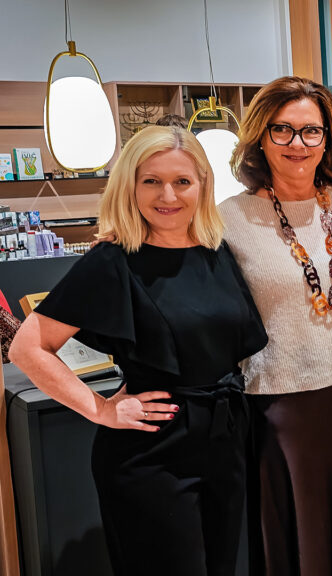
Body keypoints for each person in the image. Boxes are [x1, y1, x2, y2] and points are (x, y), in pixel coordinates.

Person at [8, 126, 267, 576]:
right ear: (130, 185)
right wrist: (101, 409)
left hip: (225, 443)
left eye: (182, 181)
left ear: (202, 185)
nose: (168, 194)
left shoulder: (216, 249)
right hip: (152, 452)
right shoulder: (112, 260)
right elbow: (28, 348)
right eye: (152, 181)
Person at [221, 76, 332, 575]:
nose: (298, 144)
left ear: (328, 137)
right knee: (293, 539)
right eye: (283, 131)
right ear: (259, 137)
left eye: (311, 131)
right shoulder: (228, 218)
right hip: (276, 403)